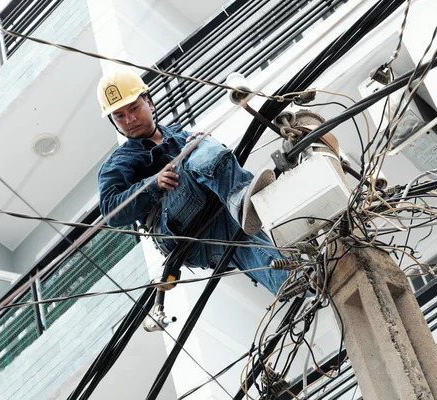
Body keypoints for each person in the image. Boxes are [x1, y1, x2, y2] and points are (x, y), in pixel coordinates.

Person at [96, 69, 292, 295]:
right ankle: (245, 199)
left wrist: (203, 141)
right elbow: (111, 211)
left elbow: (213, 162)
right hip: (175, 232)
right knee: (196, 147)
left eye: (133, 108)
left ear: (149, 103)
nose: (129, 120)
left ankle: (298, 281)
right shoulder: (117, 163)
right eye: (119, 116)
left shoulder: (179, 134)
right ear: (113, 121)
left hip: (210, 226)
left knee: (241, 240)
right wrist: (152, 184)